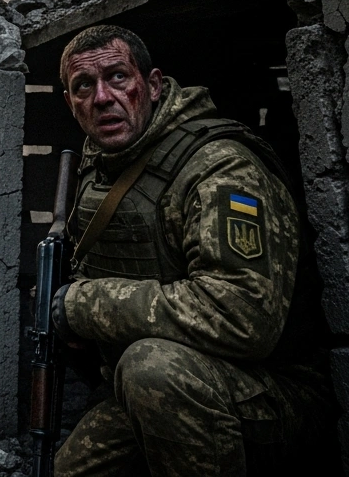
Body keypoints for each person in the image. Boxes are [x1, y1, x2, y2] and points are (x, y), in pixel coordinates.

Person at [50, 25, 330, 477]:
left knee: (151, 368)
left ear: (153, 85)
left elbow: (242, 315)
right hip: (155, 390)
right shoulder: (99, 165)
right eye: (85, 86)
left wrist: (82, 305)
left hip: (270, 392)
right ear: (70, 102)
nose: (102, 97)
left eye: (118, 77)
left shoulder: (218, 166)